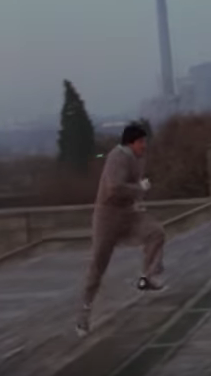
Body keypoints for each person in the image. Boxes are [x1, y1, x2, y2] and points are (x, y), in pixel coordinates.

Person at [76, 123, 166, 337]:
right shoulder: (117, 157)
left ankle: (147, 277)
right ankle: (84, 313)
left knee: (155, 232)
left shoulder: (139, 159)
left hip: (128, 214)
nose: (144, 146)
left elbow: (132, 189)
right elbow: (114, 187)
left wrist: (138, 198)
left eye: (145, 141)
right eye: (141, 142)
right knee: (98, 264)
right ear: (131, 142)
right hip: (107, 218)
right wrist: (139, 189)